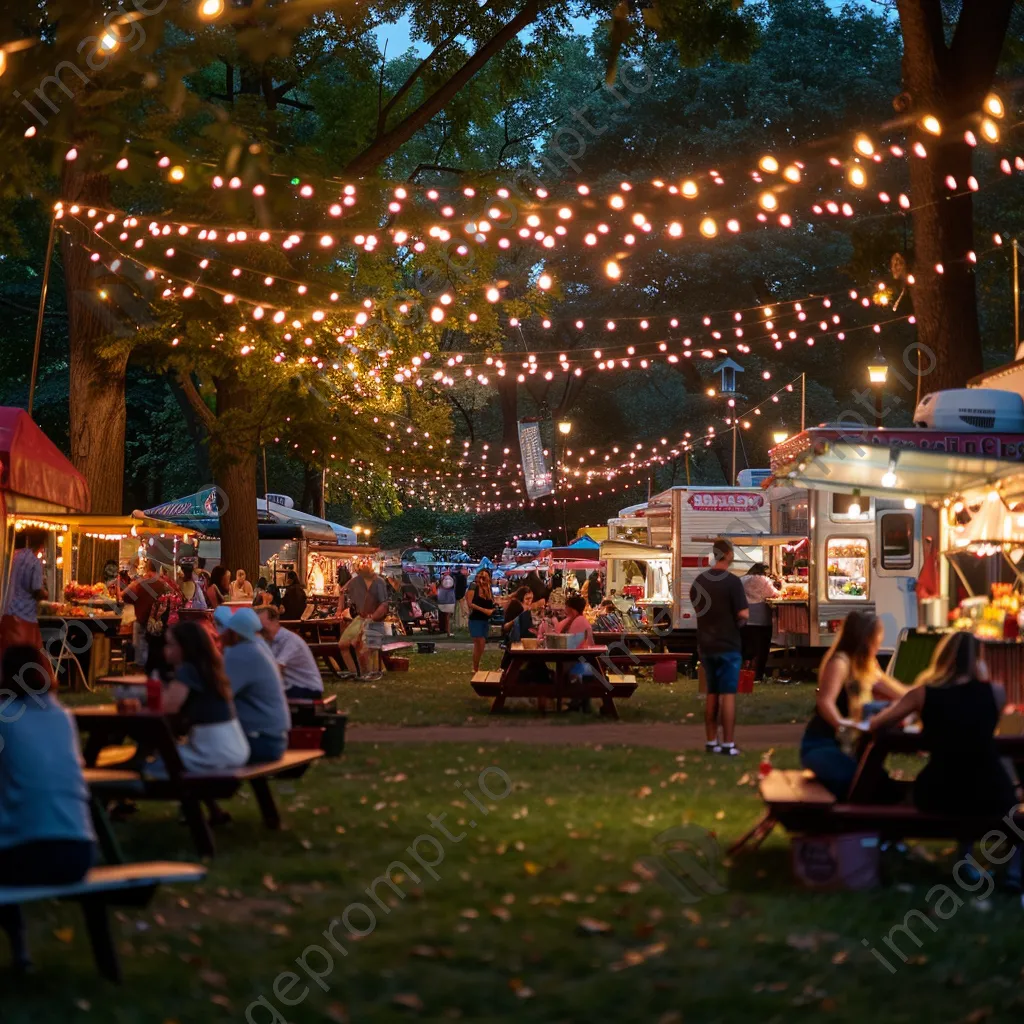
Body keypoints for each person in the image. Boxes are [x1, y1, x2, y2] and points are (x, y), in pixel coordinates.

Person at [0, 646, 96, 971]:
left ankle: (20, 949)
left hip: (28, 850)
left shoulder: (5, 719)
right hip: (79, 851)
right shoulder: (64, 718)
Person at [869, 631, 1017, 816]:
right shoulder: (996, 693)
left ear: (942, 656)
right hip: (991, 789)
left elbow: (877, 724)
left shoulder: (923, 693)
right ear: (978, 660)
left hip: (940, 789)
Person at [800, 610, 906, 799]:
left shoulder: (867, 664)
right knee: (859, 782)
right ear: (867, 637)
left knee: (880, 785)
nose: (880, 640)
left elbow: (899, 692)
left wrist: (928, 692)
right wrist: (842, 726)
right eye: (878, 635)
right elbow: (825, 701)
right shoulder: (840, 662)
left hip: (852, 747)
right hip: (823, 745)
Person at [157, 620, 250, 772]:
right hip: (236, 749)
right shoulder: (209, 669)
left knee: (154, 763)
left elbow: (167, 707)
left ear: (185, 646)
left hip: (214, 753)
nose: (166, 649)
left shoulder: (188, 671)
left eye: (170, 644)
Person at [689, 538, 749, 756]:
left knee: (711, 693)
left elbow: (698, 609)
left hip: (706, 644)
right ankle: (728, 744)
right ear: (729, 555)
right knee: (728, 694)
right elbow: (743, 614)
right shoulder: (733, 582)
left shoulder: (699, 582)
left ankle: (711, 741)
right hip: (728, 643)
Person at [214, 606, 291, 763]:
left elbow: (219, 694)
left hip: (262, 741)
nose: (219, 635)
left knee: (196, 752)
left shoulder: (241, 653)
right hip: (274, 738)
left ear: (234, 633)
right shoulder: (257, 647)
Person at [257, 605, 324, 700]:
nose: (258, 626)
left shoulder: (289, 640)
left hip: (307, 689)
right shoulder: (269, 641)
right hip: (291, 687)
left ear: (275, 621)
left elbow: (276, 669)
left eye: (261, 622)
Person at [121, 559, 177, 670]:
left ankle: (140, 667)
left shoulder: (141, 581)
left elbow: (125, 595)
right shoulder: (164, 584)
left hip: (142, 619)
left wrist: (136, 601)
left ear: (147, 568)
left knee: (140, 641)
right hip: (158, 622)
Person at [0, 529, 48, 654]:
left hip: (7, 613)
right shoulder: (34, 562)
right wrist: (45, 594)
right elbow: (36, 589)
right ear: (42, 543)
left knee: (7, 653)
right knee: (27, 655)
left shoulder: (12, 556)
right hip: (25, 617)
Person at [341, 560, 391, 680]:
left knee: (364, 647)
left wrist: (373, 618)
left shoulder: (379, 582)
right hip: (361, 618)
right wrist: (339, 609)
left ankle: (368, 672)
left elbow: (384, 604)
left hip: (374, 619)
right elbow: (342, 591)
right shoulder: (357, 582)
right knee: (343, 644)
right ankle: (354, 671)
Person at [741, 563, 779, 681]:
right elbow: (773, 594)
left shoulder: (741, 579)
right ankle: (758, 674)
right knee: (761, 648)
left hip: (745, 618)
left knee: (746, 647)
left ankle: (743, 673)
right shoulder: (764, 580)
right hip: (761, 618)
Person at [467, 569, 496, 673]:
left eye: (485, 577)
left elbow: (492, 603)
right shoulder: (473, 586)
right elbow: (470, 604)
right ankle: (475, 667)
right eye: (481, 576)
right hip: (476, 619)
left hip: (485, 620)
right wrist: (485, 611)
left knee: (482, 645)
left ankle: (476, 666)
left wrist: (492, 609)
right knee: (479, 642)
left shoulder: (488, 589)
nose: (483, 579)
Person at [436, 571, 457, 636]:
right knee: (448, 617)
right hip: (448, 601)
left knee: (445, 616)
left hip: (442, 601)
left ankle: (445, 630)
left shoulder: (441, 584)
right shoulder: (449, 583)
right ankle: (447, 631)